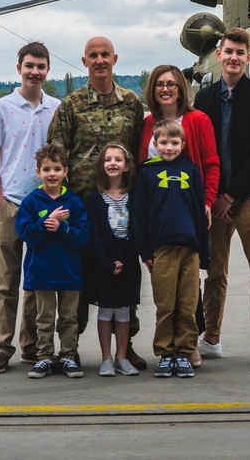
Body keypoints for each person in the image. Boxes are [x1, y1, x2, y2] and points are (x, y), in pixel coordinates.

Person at [47, 36, 146, 369]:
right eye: (93, 55)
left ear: (115, 59)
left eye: (105, 54)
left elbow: (136, 152)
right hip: (81, 206)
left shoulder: (132, 102)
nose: (100, 60)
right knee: (79, 280)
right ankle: (70, 348)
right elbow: (57, 152)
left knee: (123, 276)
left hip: (120, 204)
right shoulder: (71, 105)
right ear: (84, 61)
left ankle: (124, 346)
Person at [193, 27, 250, 371]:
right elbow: (200, 151)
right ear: (219, 55)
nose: (233, 58)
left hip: (249, 198)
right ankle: (211, 338)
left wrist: (231, 195)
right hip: (214, 200)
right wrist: (214, 198)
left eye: (240, 53)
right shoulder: (205, 99)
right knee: (213, 273)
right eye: (228, 51)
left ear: (248, 57)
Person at [0, 41, 62, 374]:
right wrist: (0, 201)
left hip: (44, 205)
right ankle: (2, 347)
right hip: (13, 205)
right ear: (19, 69)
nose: (35, 71)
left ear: (47, 70)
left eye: (41, 66)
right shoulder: (2, 107)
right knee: (7, 282)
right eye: (29, 65)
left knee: (38, 281)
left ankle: (33, 346)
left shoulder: (57, 107)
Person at [138, 64, 220, 368]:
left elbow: (211, 164)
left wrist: (207, 202)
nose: (166, 88)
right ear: (152, 89)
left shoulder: (197, 120)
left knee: (188, 291)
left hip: (188, 214)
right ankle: (168, 349)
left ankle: (188, 346)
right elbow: (141, 167)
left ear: (181, 88)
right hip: (159, 222)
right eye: (160, 83)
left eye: (172, 83)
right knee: (165, 293)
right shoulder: (148, 124)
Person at [131, 120, 210, 379]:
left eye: (175, 143)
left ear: (183, 145)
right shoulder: (145, 173)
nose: (169, 147)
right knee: (165, 305)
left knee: (187, 304)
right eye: (163, 142)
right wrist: (145, 253)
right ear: (155, 144)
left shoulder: (191, 171)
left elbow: (199, 212)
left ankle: (186, 351)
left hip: (189, 249)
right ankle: (166, 353)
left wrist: (203, 251)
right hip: (161, 249)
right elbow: (139, 216)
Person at [15, 144, 90, 379]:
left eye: (57, 169)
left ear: (65, 171)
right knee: (44, 318)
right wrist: (47, 221)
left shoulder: (74, 202)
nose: (52, 174)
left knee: (69, 318)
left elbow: (83, 236)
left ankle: (68, 356)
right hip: (42, 272)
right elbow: (26, 235)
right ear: (38, 173)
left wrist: (62, 228)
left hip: (69, 272)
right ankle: (44, 357)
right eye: (46, 169)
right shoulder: (31, 202)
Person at [85, 142, 141, 377]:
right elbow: (94, 234)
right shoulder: (96, 198)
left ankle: (121, 357)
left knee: (124, 312)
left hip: (128, 265)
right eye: (108, 159)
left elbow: (138, 231)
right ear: (102, 165)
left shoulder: (134, 196)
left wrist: (126, 262)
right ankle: (106, 358)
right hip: (104, 266)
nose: (113, 163)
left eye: (118, 159)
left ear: (127, 166)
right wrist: (108, 264)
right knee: (106, 311)